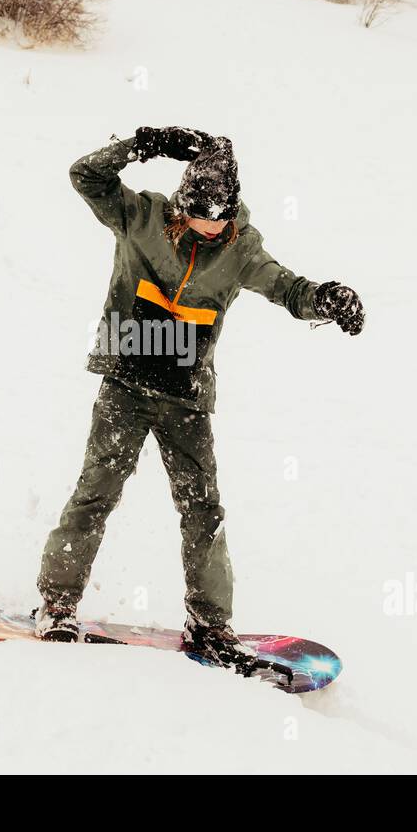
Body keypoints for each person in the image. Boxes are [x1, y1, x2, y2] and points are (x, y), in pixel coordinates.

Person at [34, 126, 364, 673]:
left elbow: (287, 288)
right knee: (97, 492)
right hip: (125, 382)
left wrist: (326, 299)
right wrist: (143, 145)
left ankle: (210, 624)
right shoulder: (141, 218)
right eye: (198, 213)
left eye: (219, 215)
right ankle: (57, 605)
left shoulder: (239, 249)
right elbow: (85, 175)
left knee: (202, 511)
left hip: (185, 398)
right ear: (182, 203)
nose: (208, 226)